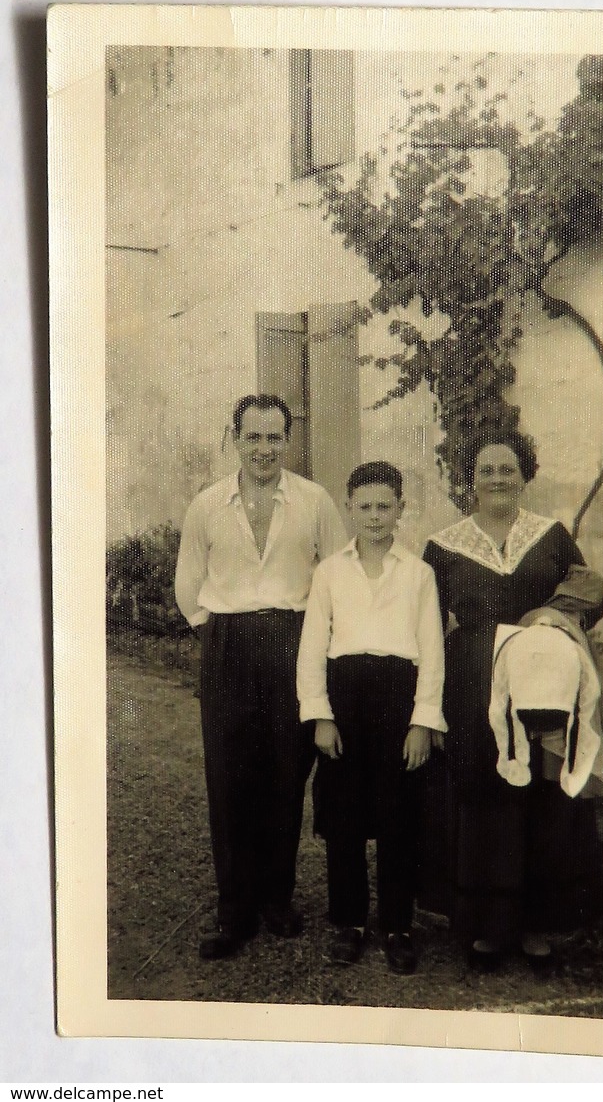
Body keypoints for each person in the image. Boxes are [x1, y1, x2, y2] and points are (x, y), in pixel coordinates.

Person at [422, 429, 603, 973]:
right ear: (471, 479)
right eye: (487, 469)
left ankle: (536, 924)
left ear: (525, 476)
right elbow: (427, 628)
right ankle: (488, 927)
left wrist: (552, 616)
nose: (498, 478)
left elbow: (588, 594)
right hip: (473, 692)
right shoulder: (444, 546)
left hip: (544, 689)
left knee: (544, 798)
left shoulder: (550, 537)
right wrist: (429, 707)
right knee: (487, 796)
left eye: (509, 469)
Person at [175, 393, 347, 960]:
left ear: (288, 440)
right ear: (235, 437)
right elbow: (188, 584)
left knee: (283, 774)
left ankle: (277, 898)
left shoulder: (314, 501)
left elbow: (337, 573)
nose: (264, 449)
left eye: (275, 438)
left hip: (293, 643)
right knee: (229, 778)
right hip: (227, 645)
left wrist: (314, 643)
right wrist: (216, 636)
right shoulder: (207, 505)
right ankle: (235, 910)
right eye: (254, 437)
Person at [296, 461, 445, 975]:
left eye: (386, 506)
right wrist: (320, 715)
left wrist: (423, 721)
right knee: (345, 821)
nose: (376, 516)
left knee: (399, 821)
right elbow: (313, 647)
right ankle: (348, 922)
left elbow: (432, 649)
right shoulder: (330, 571)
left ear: (401, 510)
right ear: (349, 508)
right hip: (346, 704)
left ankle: (398, 926)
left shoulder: (419, 573)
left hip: (399, 702)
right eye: (365, 506)